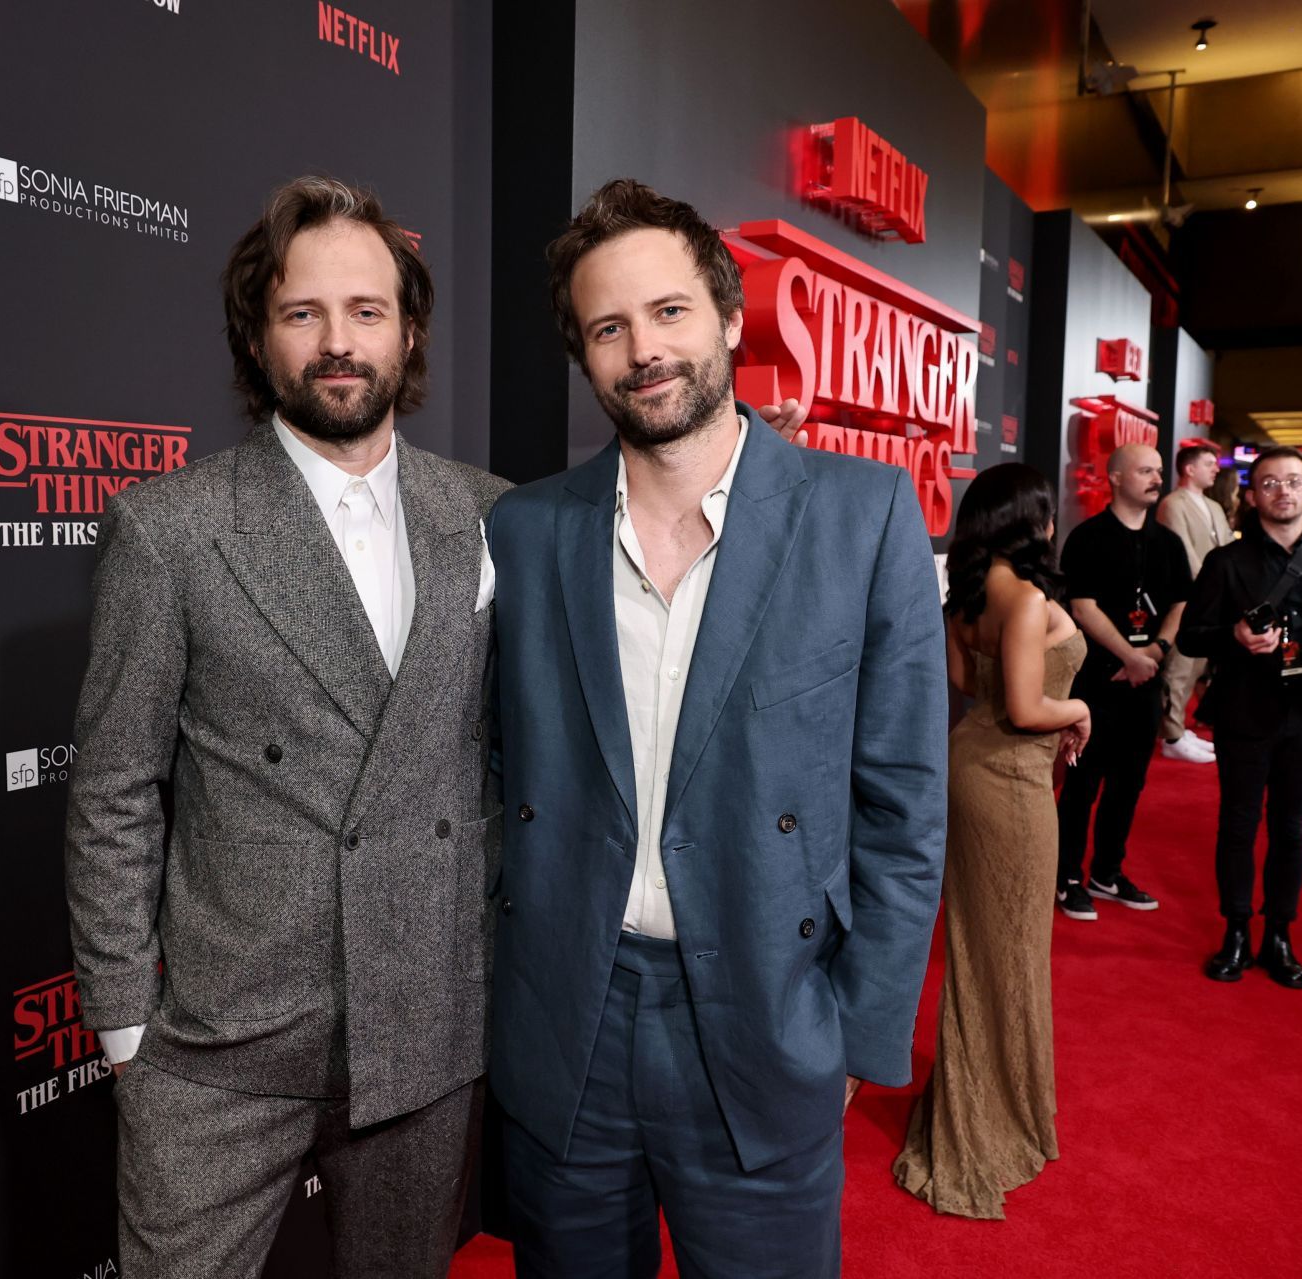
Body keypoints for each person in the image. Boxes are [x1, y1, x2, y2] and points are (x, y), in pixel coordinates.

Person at [486, 179, 947, 1277]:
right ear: (584, 355)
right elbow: (495, 764)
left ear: (733, 319)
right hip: (568, 1022)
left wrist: (852, 1030)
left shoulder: (865, 515)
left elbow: (905, 802)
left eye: (670, 311)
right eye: (609, 327)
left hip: (766, 1016)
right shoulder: (529, 529)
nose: (644, 348)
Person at [62, 176, 511, 1278]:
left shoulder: (495, 515)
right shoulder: (171, 528)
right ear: (257, 339)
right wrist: (127, 1027)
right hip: (223, 1042)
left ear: (409, 332)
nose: (337, 342)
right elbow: (116, 782)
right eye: (302, 313)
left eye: (366, 311)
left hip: (427, 1027)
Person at [893, 464, 1088, 1219]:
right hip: (1009, 784)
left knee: (976, 947)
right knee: (1010, 949)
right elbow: (1021, 704)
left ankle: (982, 1094)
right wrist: (1080, 709)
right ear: (1029, 519)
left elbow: (967, 686)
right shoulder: (1030, 597)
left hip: (967, 764)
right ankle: (992, 1119)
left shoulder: (967, 595)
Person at [1177, 445, 1302, 989]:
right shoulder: (1226, 562)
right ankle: (1236, 929)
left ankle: (1279, 933)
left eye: (1293, 482)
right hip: (1245, 711)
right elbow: (1191, 636)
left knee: (1294, 830)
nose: (1282, 491)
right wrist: (1234, 637)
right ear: (1252, 495)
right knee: (1237, 826)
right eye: (1269, 483)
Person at [1054, 444, 1192, 919]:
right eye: (1145, 470)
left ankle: (1107, 872)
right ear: (1114, 477)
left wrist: (1154, 653)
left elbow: (1179, 603)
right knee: (1082, 783)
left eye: (1158, 470)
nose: (1156, 478)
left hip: (1145, 684)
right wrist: (1128, 655)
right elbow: (1082, 606)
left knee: (1129, 784)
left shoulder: (1169, 543)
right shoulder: (1088, 538)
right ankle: (1066, 875)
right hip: (1094, 685)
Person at [1158, 444, 1232, 761]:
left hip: (1211, 601)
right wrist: (1214, 587)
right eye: (1209, 463)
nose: (1216, 469)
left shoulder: (1214, 506)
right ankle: (1171, 736)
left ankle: (1179, 727)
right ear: (1189, 469)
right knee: (1178, 666)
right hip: (1187, 598)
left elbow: (1229, 549)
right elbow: (1183, 553)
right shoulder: (1172, 504)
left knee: (1196, 666)